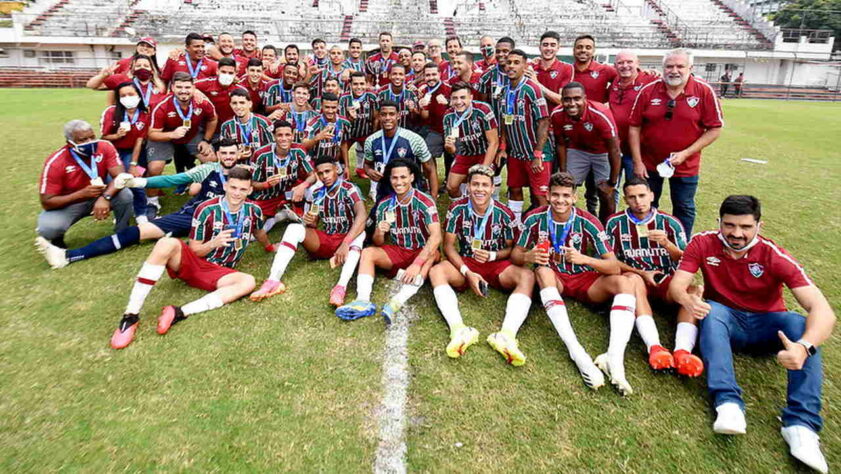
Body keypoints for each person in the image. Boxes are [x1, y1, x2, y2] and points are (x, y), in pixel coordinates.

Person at [670, 195, 834, 473]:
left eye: (745, 226)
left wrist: (804, 347)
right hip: (725, 322)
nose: (736, 233)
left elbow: (823, 310)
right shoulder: (702, 242)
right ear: (718, 222)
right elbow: (678, 285)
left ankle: (801, 426)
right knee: (712, 311)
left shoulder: (774, 255)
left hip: (767, 326)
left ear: (759, 225)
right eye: (729, 225)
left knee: (798, 323)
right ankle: (728, 402)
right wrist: (688, 301)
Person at [108, 166, 269, 350]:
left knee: (248, 281)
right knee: (165, 244)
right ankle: (130, 316)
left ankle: (179, 312)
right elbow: (195, 249)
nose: (237, 193)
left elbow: (259, 231)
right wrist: (213, 243)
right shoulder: (206, 209)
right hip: (197, 263)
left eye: (242, 189)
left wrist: (269, 247)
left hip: (221, 272)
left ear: (249, 190)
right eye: (233, 187)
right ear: (225, 186)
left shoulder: (253, 210)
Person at [35, 139, 265, 267]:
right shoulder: (207, 169)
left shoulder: (245, 174)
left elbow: (255, 199)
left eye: (231, 153)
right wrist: (137, 182)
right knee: (140, 232)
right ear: (217, 153)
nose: (227, 157)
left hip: (222, 222)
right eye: (223, 153)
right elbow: (172, 179)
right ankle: (69, 256)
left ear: (239, 154)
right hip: (194, 215)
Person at [512, 172, 639, 395]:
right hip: (555, 279)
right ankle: (576, 351)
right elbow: (516, 255)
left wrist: (585, 259)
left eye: (566, 196)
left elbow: (613, 266)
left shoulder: (588, 221)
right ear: (548, 195)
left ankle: (614, 358)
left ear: (575, 198)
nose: (560, 200)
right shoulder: (534, 218)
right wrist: (528, 257)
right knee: (542, 271)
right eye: (556, 195)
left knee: (624, 284)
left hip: (585, 280)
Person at [430, 165, 533, 359]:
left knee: (527, 276)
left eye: (485, 185)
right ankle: (459, 330)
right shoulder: (457, 209)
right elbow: (449, 246)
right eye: (475, 184)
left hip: (496, 264)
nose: (480, 189)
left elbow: (512, 249)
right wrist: (467, 272)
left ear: (493, 188)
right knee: (436, 272)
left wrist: (492, 256)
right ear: (467, 186)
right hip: (467, 261)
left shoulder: (505, 214)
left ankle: (506, 335)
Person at [604, 177, 704, 376]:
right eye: (632, 197)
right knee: (633, 281)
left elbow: (687, 260)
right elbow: (611, 262)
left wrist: (667, 244)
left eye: (642, 195)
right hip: (636, 280)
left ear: (652, 195)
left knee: (693, 290)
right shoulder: (615, 223)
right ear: (625, 199)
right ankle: (655, 347)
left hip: (666, 281)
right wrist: (642, 273)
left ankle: (682, 351)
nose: (638, 201)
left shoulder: (670, 223)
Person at [628, 48, 723, 235]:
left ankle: (680, 248)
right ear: (662, 68)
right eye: (669, 66)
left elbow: (715, 128)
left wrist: (686, 153)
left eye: (680, 66)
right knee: (645, 205)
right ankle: (643, 243)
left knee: (683, 207)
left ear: (690, 68)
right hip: (649, 164)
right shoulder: (649, 91)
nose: (674, 71)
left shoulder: (703, 91)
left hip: (686, 165)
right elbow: (634, 126)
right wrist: (637, 162)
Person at [336, 158, 442, 324]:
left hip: (421, 250)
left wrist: (416, 263)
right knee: (368, 252)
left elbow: (436, 237)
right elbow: (378, 242)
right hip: (399, 250)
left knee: (432, 254)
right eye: (394, 178)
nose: (399, 182)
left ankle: (396, 302)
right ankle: (363, 301)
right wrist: (379, 231)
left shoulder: (425, 201)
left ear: (412, 177)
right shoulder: (385, 204)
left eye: (403, 177)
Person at [251, 156, 367, 306]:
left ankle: (340, 288)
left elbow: (362, 215)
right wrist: (309, 221)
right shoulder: (318, 192)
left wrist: (346, 243)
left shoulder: (350, 189)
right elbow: (314, 224)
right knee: (294, 228)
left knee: (361, 233)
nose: (325, 176)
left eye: (328, 171)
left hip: (347, 240)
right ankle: (273, 280)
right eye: (320, 173)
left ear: (336, 170)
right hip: (328, 239)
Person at [35, 120, 134, 248]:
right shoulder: (55, 162)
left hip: (101, 194)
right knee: (48, 228)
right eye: (83, 140)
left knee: (125, 195)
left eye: (92, 137)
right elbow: (47, 202)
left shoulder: (105, 146)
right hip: (71, 202)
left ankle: (122, 232)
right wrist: (80, 194)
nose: (90, 143)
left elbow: (121, 176)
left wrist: (105, 197)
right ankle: (57, 238)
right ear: (70, 143)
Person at [551, 82, 620, 222]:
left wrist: (612, 183)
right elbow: (560, 144)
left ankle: (606, 228)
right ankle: (566, 223)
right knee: (564, 187)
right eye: (567, 99)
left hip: (603, 152)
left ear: (585, 99)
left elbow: (614, 149)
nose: (571, 103)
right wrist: (564, 171)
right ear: (562, 99)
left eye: (577, 98)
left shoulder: (600, 114)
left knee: (606, 193)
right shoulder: (557, 114)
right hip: (577, 150)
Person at [495, 48, 550, 219]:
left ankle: (544, 233)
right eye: (509, 62)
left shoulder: (532, 89)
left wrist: (538, 153)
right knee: (514, 188)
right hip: (516, 153)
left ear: (525, 65)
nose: (511, 66)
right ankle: (516, 225)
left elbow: (544, 121)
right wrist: (503, 147)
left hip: (535, 154)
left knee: (540, 195)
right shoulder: (504, 91)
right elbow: (504, 121)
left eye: (516, 63)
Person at [363, 100, 438, 200]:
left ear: (398, 116)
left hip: (411, 191)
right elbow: (367, 163)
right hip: (384, 191)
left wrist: (433, 198)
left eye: (392, 114)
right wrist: (369, 171)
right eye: (384, 114)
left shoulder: (414, 139)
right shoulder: (371, 140)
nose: (387, 118)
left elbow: (430, 168)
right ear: (379, 116)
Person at [99, 81, 151, 223]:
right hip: (112, 153)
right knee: (116, 183)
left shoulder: (144, 114)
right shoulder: (110, 112)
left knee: (134, 179)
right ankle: (121, 214)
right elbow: (103, 137)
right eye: (123, 95)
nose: (127, 97)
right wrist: (117, 136)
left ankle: (141, 213)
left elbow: (139, 141)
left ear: (138, 95)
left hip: (131, 151)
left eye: (131, 94)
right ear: (118, 98)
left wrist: (134, 163)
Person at [148, 72, 218, 177]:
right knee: (155, 168)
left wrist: (206, 140)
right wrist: (172, 134)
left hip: (192, 134)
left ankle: (207, 188)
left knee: (211, 160)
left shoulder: (202, 102)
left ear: (194, 88)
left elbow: (213, 119)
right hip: (165, 136)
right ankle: (152, 194)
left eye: (187, 87)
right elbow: (152, 134)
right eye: (179, 87)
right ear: (172, 87)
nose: (183, 91)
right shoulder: (162, 105)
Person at [608, 50, 658, 197]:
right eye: (621, 63)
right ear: (615, 66)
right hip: (615, 148)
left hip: (637, 152)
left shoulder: (650, 80)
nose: (625, 66)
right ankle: (612, 219)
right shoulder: (615, 81)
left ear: (637, 64)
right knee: (610, 189)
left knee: (637, 191)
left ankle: (638, 220)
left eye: (629, 62)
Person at [249, 120, 315, 228]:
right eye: (280, 135)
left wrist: (302, 187)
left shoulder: (299, 150)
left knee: (313, 189)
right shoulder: (261, 154)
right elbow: (251, 183)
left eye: (287, 135)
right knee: (255, 227)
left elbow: (313, 175)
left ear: (292, 136)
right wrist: (266, 184)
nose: (284, 139)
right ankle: (281, 214)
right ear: (274, 136)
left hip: (290, 192)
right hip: (267, 196)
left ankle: (296, 208)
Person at [442, 81, 499, 198]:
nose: (458, 102)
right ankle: (462, 207)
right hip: (465, 154)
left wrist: (484, 168)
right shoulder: (448, 116)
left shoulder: (483, 110)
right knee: (451, 187)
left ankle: (490, 203)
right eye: (455, 98)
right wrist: (449, 147)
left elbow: (493, 142)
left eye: (463, 97)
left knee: (481, 182)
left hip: (484, 153)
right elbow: (452, 150)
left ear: (471, 97)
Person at [339, 71, 379, 178]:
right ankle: (343, 174)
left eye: (362, 84)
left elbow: (376, 118)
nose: (359, 87)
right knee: (338, 155)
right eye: (355, 84)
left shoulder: (372, 96)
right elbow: (342, 123)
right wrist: (350, 118)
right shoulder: (344, 98)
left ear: (366, 84)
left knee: (374, 154)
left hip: (365, 132)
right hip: (349, 134)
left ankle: (363, 171)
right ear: (350, 85)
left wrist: (374, 136)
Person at [303, 92, 351, 175]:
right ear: (321, 105)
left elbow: (344, 143)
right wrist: (317, 138)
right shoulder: (313, 124)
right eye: (327, 107)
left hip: (333, 162)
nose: (330, 111)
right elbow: (303, 145)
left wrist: (347, 166)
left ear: (338, 107)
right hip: (315, 163)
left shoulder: (344, 122)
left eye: (333, 107)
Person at [417, 62, 452, 174]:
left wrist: (448, 103)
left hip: (451, 130)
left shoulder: (449, 89)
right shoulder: (422, 91)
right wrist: (422, 107)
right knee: (427, 155)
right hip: (434, 130)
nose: (431, 78)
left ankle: (449, 180)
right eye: (428, 75)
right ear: (424, 76)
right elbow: (424, 116)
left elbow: (460, 108)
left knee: (453, 156)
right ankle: (432, 181)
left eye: (433, 74)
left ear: (440, 74)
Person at [219, 89, 273, 160]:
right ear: (230, 105)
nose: (238, 107)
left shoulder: (264, 122)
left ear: (250, 104)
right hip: (238, 168)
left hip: (260, 167)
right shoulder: (226, 126)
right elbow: (223, 154)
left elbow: (273, 148)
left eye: (242, 103)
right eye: (234, 103)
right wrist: (237, 156)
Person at [527, 30, 574, 107]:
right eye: (545, 45)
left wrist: (537, 84)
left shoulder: (566, 68)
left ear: (558, 48)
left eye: (553, 45)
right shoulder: (530, 67)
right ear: (540, 47)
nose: (548, 48)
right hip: (533, 117)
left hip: (554, 117)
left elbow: (562, 100)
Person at [570, 35, 617, 103]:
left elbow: (623, 81)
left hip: (596, 112)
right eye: (579, 47)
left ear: (593, 51)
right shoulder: (568, 70)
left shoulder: (605, 69)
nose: (583, 50)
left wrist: (610, 95)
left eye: (588, 48)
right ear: (573, 50)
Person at [375, 63, 418, 129]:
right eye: (394, 74)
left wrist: (412, 110)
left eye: (401, 74)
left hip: (406, 133)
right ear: (389, 76)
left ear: (405, 77)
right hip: (386, 133)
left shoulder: (411, 93)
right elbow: (377, 118)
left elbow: (416, 119)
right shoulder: (381, 93)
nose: (397, 77)